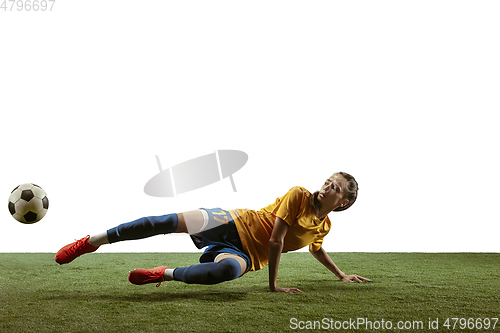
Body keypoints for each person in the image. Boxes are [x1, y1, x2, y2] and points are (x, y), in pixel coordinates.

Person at [55, 172, 370, 293]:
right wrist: (273, 286)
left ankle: (162, 274)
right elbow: (276, 240)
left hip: (245, 254)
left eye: (336, 188)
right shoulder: (299, 194)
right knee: (162, 222)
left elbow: (316, 247)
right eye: (329, 180)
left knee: (225, 272)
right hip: (231, 222)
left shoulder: (324, 225)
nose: (327, 185)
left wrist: (341, 275)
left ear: (342, 202)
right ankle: (91, 241)